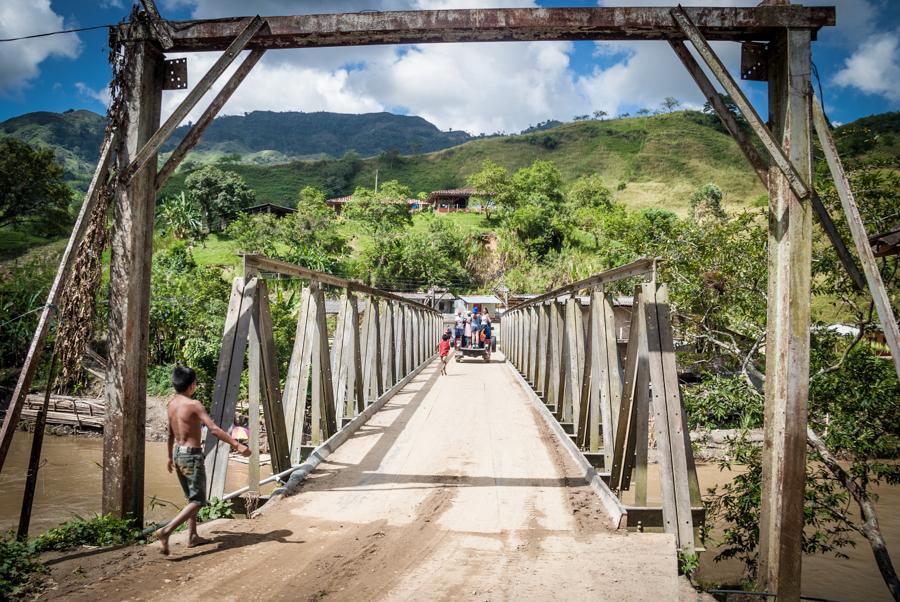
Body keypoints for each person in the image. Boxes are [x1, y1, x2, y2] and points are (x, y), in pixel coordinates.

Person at [156, 366, 251, 556]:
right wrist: (237, 445)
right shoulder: (194, 405)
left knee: (190, 498)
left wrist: (168, 457)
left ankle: (192, 536)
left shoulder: (172, 404)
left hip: (177, 452)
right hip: (191, 455)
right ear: (192, 386)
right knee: (199, 500)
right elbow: (214, 429)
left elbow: (170, 433)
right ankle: (166, 531)